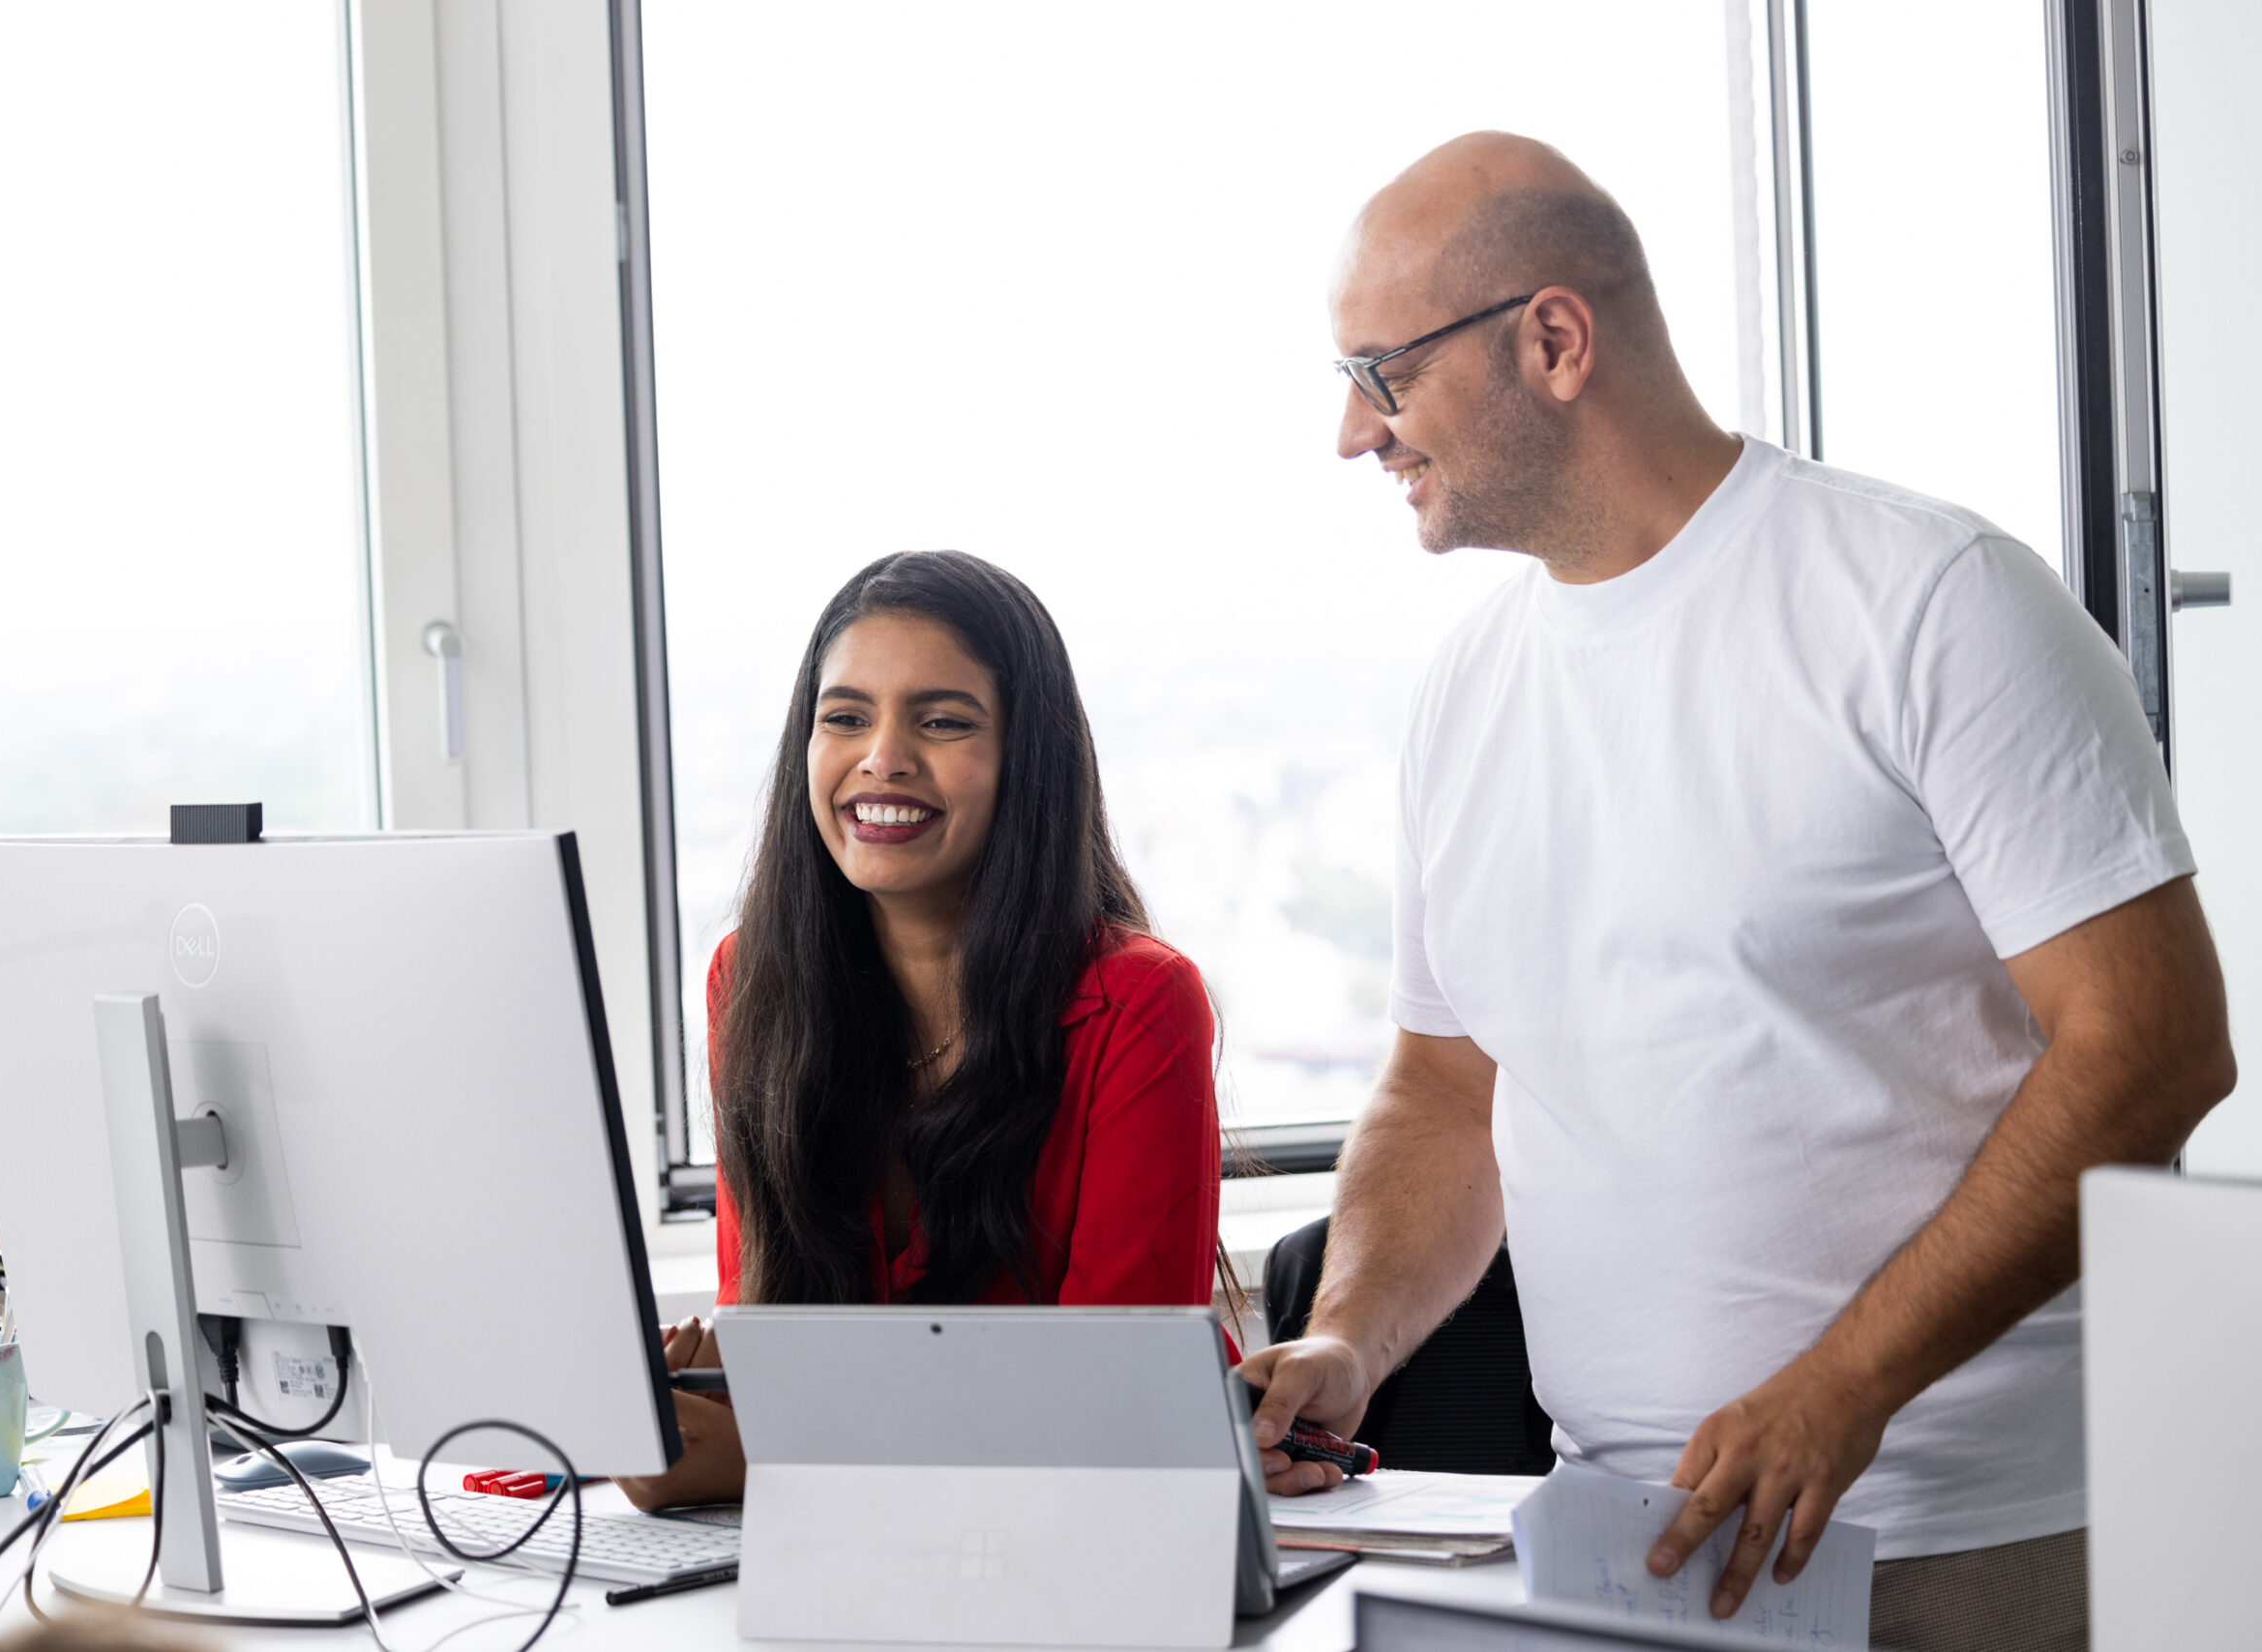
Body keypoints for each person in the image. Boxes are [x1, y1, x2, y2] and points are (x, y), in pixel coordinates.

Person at [1238, 132, 2234, 1652]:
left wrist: (1842, 1389)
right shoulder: (1468, 693)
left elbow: (2152, 1050)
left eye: (1382, 375)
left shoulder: (1932, 601)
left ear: (1555, 341)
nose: (1354, 436)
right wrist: (1348, 1340)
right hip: (1617, 1551)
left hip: (1959, 1536)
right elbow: (1449, 1085)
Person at [617, 549, 1228, 1511]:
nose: (882, 757)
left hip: (1079, 1540)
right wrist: (706, 1403)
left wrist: (776, 1458)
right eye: (845, 717)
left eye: (941, 720)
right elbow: (768, 1325)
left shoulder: (1138, 1003)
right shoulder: (753, 979)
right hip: (849, 1543)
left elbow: (1120, 1406)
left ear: (1026, 757)